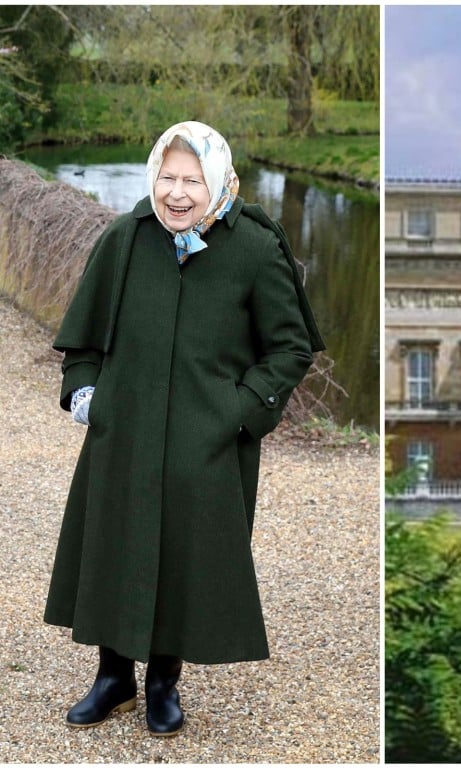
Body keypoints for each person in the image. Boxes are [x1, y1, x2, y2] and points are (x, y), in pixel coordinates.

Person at [44, 120, 325, 737]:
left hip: (207, 443)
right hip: (124, 436)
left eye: (191, 180)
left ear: (220, 180)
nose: (176, 193)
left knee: (183, 557)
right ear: (153, 176)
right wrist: (87, 394)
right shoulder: (125, 238)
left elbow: (290, 349)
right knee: (115, 547)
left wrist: (238, 412)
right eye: (167, 178)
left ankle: (163, 684)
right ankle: (113, 678)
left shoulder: (255, 247)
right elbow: (82, 340)